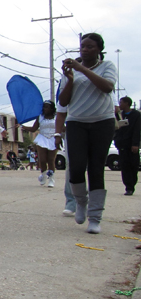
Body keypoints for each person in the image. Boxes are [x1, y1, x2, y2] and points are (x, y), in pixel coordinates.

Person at [57, 33, 117, 233]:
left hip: (102, 122)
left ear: (99, 49)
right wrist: (71, 79)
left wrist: (81, 68)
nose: (84, 49)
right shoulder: (71, 72)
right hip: (76, 123)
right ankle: (80, 202)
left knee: (96, 169)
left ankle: (95, 217)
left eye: (90, 46)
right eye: (82, 46)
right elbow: (64, 102)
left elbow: (107, 87)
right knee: (75, 167)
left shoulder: (107, 66)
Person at [22, 101, 58, 187]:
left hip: (53, 138)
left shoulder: (57, 117)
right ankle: (44, 176)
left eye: (47, 107)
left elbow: (62, 127)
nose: (44, 109)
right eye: (44, 107)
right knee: (42, 160)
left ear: (52, 108)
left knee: (51, 160)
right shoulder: (40, 117)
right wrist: (23, 126)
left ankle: (51, 179)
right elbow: (34, 129)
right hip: (42, 138)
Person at [114, 96, 140, 196]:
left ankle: (132, 183)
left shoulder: (136, 115)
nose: (120, 104)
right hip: (122, 144)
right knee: (125, 166)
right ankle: (128, 187)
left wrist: (135, 144)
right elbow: (115, 127)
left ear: (127, 103)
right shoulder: (120, 115)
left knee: (134, 165)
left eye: (121, 102)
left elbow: (137, 130)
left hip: (132, 144)